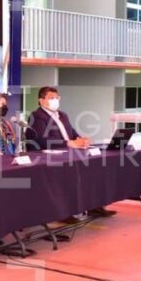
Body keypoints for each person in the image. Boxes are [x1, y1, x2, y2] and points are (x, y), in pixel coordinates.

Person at [29, 87, 116, 219]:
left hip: (71, 153)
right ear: (41, 101)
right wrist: (69, 143)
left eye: (57, 98)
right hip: (50, 156)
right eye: (51, 98)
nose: (55, 100)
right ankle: (63, 213)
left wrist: (82, 140)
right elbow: (41, 140)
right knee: (68, 178)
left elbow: (71, 132)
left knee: (93, 170)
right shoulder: (36, 116)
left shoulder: (62, 115)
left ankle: (94, 206)